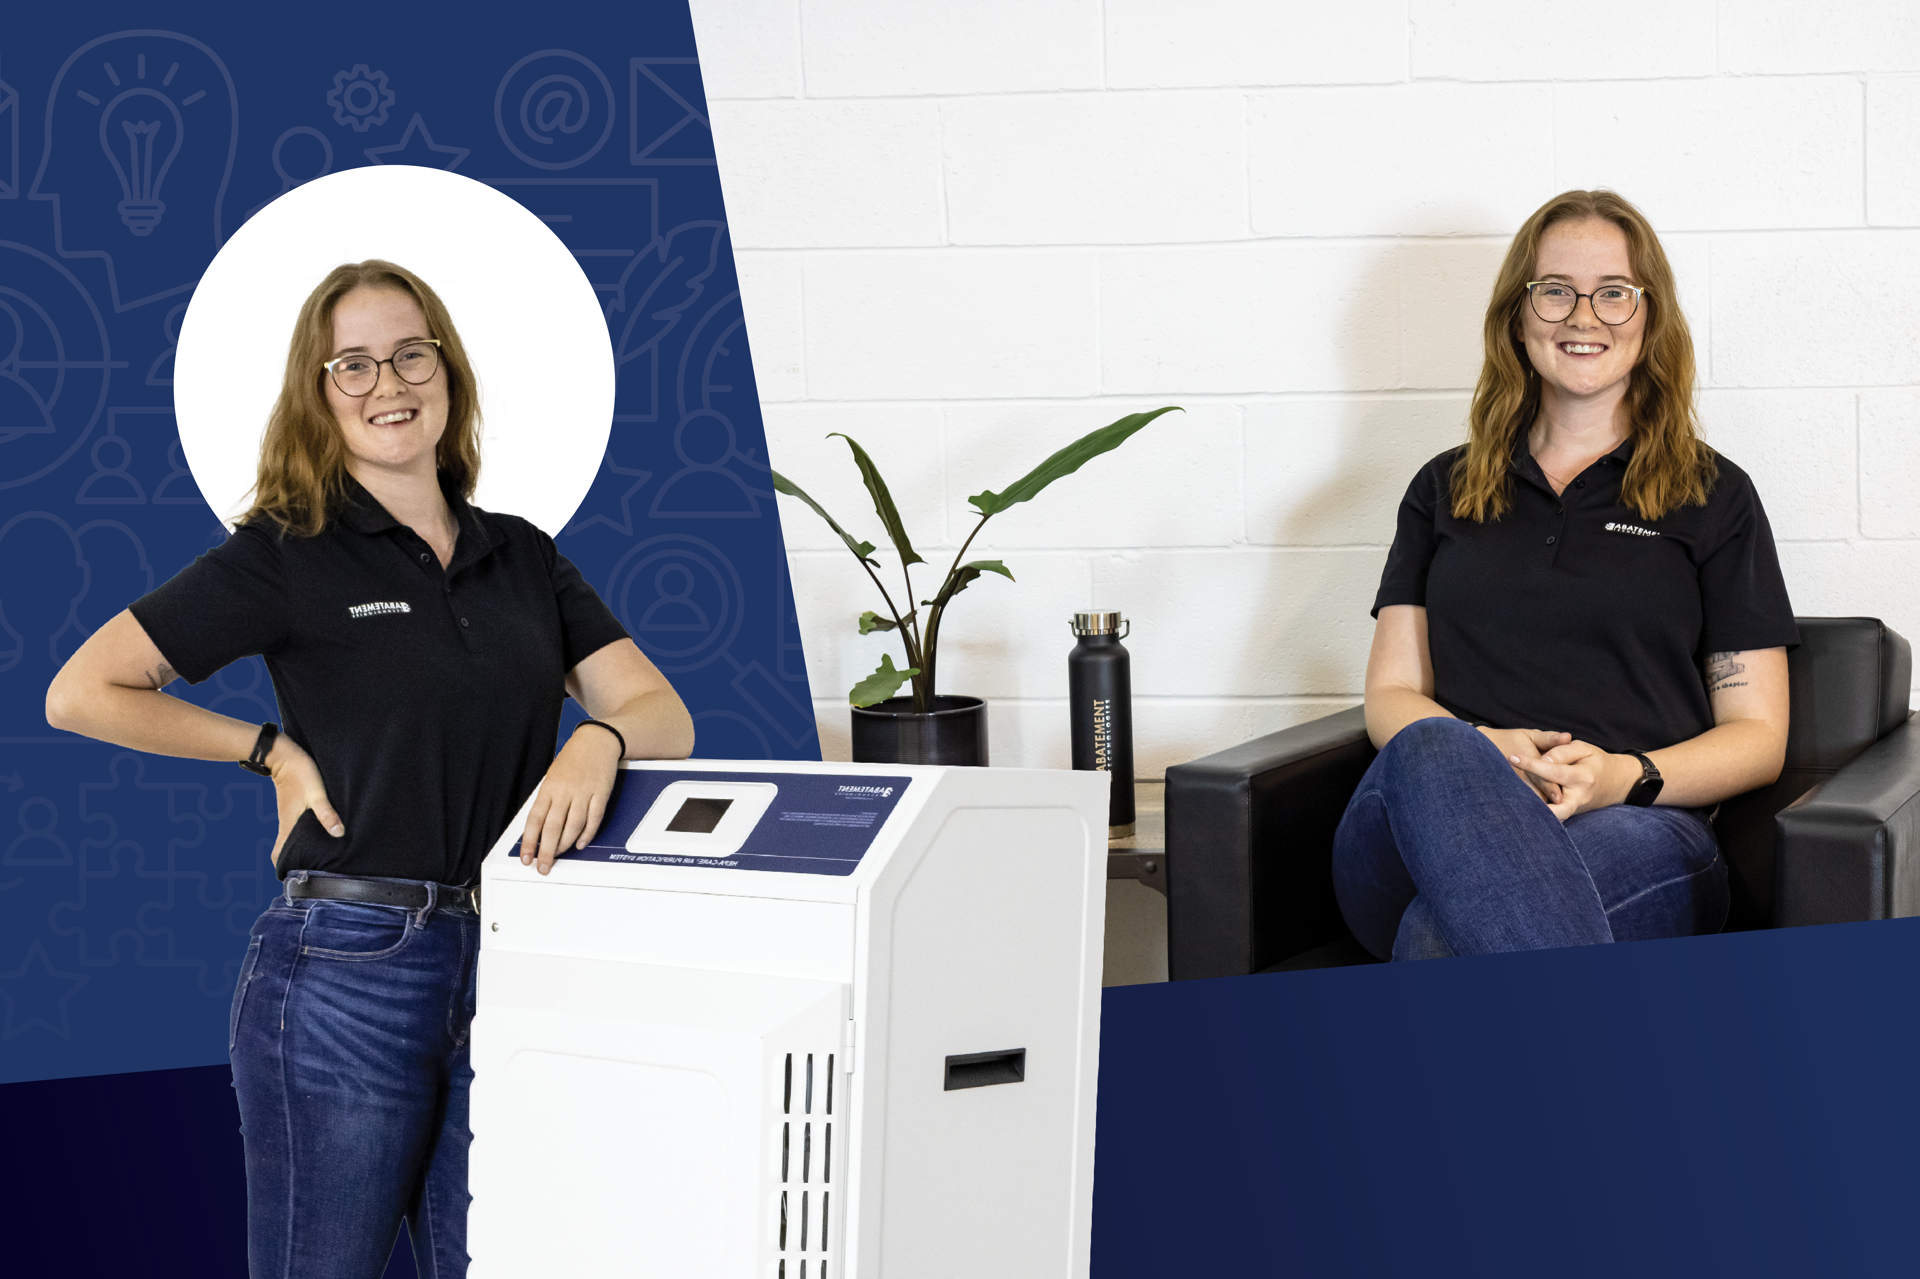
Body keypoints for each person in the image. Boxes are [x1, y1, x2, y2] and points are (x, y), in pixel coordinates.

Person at [45, 260, 693, 1276]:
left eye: (409, 354)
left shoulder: (522, 556)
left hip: (514, 961)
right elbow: (82, 690)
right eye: (353, 365)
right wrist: (268, 751)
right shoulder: (286, 554)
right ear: (319, 392)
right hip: (346, 969)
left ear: (448, 373)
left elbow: (663, 712)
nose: (387, 383)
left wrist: (598, 738)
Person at [1331, 190, 1797, 962]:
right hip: (1426, 817)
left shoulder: (1715, 496)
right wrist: (1489, 758)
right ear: (1519, 314)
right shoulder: (1441, 489)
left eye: (1614, 293)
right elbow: (1390, 696)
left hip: (1640, 825)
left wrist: (1622, 776)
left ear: (1651, 319)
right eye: (1556, 291)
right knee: (1430, 749)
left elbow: (1758, 736)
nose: (1585, 316)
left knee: (1440, 937)